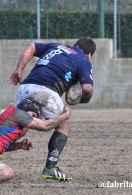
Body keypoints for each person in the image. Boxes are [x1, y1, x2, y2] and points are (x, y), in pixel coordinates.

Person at [8, 37, 96, 181]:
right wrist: (83, 100)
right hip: (46, 92)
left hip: (25, 87)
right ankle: (50, 167)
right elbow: (87, 89)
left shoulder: (57, 47)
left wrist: (19, 70)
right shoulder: (84, 60)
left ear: (76, 45)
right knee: (63, 125)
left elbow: (31, 46)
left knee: (21, 126)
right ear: (89, 54)